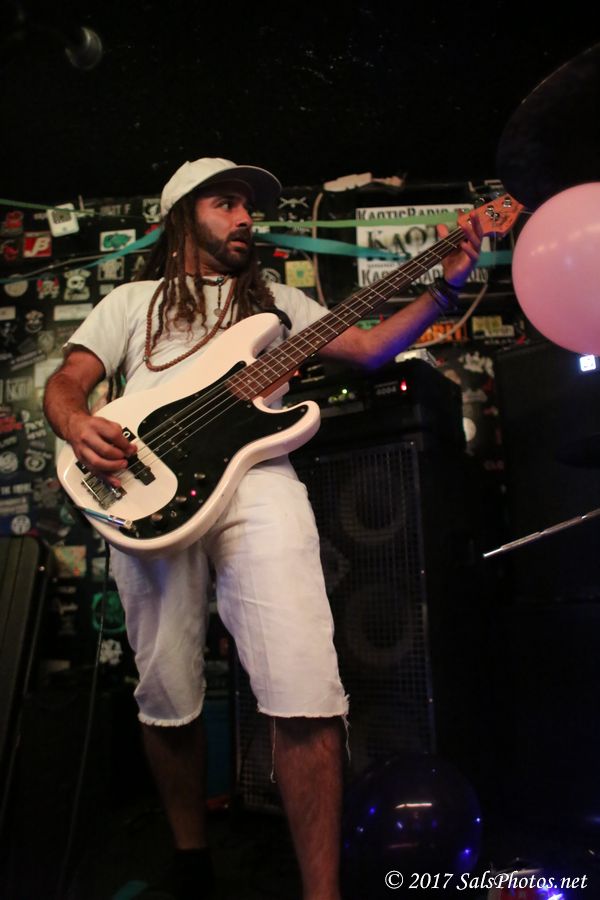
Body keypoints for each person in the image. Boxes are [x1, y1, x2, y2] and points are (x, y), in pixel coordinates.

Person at [43, 157, 481, 900]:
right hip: (144, 492)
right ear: (182, 214)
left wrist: (446, 285)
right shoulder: (129, 301)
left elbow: (369, 348)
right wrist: (76, 423)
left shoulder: (277, 302)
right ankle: (191, 860)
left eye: (249, 207)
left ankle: (321, 892)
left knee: (306, 680)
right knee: (166, 691)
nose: (246, 217)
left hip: (257, 481)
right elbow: (66, 383)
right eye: (226, 203)